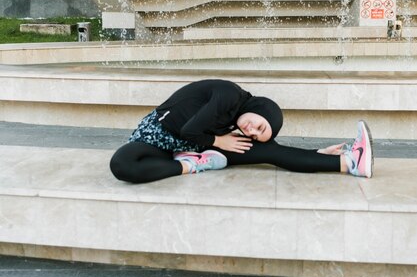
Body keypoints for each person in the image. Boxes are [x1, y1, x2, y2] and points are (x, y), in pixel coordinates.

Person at [110, 78, 373, 184]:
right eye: (259, 125)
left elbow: (271, 149)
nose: (251, 130)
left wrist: (316, 153)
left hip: (196, 146)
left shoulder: (237, 121)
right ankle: (191, 165)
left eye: (255, 134)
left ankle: (349, 162)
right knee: (122, 164)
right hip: (156, 139)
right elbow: (189, 129)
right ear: (261, 110)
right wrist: (218, 142)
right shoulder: (228, 95)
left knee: (271, 153)